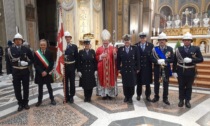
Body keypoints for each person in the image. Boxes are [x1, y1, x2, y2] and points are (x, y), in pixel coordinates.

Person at [173, 32, 203, 108]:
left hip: (191, 70)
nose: (187, 41)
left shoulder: (196, 48)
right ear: (183, 41)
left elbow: (201, 59)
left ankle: (187, 101)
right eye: (185, 40)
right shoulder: (178, 49)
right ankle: (181, 100)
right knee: (181, 86)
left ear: (191, 41)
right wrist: (174, 71)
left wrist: (191, 60)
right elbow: (175, 61)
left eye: (188, 40)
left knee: (189, 86)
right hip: (180, 70)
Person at [7, 33, 34, 111]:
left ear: (22, 41)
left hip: (25, 71)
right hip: (15, 72)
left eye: (20, 40)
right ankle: (20, 103)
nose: (18, 41)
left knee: (26, 88)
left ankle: (25, 103)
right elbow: (8, 62)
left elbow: (32, 59)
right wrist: (9, 73)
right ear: (14, 41)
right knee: (17, 89)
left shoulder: (26, 49)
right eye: (16, 40)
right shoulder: (10, 50)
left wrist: (27, 63)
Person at [151, 32, 174, 105]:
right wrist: (157, 61)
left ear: (166, 40)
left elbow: (172, 59)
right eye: (160, 39)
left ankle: (165, 98)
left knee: (166, 84)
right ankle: (156, 96)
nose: (162, 41)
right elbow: (151, 59)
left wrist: (165, 60)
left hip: (166, 69)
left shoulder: (170, 49)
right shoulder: (154, 49)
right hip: (157, 69)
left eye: (163, 40)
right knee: (156, 84)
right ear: (158, 41)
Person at [117, 34, 140, 103]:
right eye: (125, 40)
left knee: (132, 84)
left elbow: (137, 59)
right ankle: (126, 96)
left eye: (128, 40)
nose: (127, 42)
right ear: (123, 41)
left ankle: (130, 97)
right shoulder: (120, 49)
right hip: (124, 69)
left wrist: (138, 68)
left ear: (130, 41)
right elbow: (118, 60)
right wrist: (119, 68)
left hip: (132, 69)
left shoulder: (135, 48)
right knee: (125, 83)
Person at [96, 29, 117, 100]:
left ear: (108, 41)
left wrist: (115, 54)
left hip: (110, 68)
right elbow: (96, 58)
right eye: (104, 42)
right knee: (103, 80)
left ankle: (110, 94)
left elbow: (115, 58)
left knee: (110, 80)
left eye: (106, 42)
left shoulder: (112, 48)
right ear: (102, 42)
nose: (105, 43)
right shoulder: (99, 49)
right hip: (102, 68)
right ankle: (104, 94)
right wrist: (101, 56)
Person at [34, 39, 56, 107]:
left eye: (44, 45)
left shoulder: (50, 52)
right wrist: (41, 71)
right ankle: (39, 101)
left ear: (46, 45)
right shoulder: (36, 53)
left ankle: (52, 99)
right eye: (41, 45)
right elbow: (35, 64)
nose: (42, 46)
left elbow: (52, 63)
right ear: (39, 45)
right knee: (40, 88)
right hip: (39, 73)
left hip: (47, 73)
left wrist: (46, 71)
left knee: (49, 87)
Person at [135, 32, 153, 102]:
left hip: (147, 67)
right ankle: (138, 95)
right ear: (139, 38)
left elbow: (152, 56)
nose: (142, 39)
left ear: (146, 38)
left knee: (147, 83)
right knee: (139, 82)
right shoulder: (136, 46)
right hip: (139, 68)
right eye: (141, 38)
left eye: (144, 38)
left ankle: (148, 95)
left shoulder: (151, 45)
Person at [64, 31, 78, 103]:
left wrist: (75, 68)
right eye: (66, 37)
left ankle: (71, 96)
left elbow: (76, 58)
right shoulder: (62, 47)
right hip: (64, 67)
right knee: (65, 82)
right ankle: (66, 96)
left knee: (72, 82)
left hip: (72, 67)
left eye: (68, 37)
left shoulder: (74, 47)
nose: (67, 38)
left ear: (70, 38)